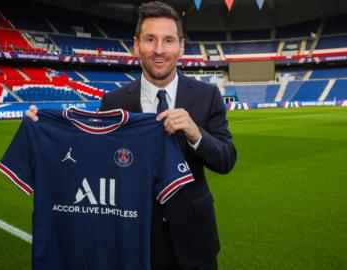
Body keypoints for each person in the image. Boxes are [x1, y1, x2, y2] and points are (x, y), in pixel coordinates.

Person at [26, 2, 236, 269]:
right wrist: (43, 133)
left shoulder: (207, 96)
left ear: (181, 46)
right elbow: (91, 165)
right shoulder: (113, 102)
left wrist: (196, 134)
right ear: (136, 45)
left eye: (168, 40)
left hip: (195, 241)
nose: (159, 50)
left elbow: (226, 159)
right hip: (133, 241)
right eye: (150, 39)